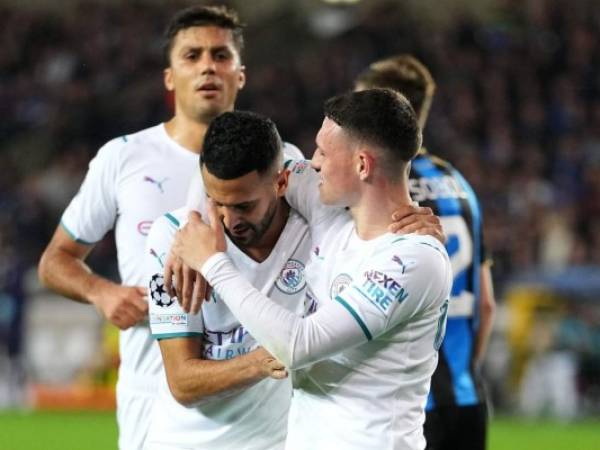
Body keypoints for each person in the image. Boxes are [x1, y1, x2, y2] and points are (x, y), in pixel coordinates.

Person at [173, 88, 453, 450]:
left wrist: (211, 261)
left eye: (323, 151)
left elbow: (298, 345)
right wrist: (192, 222)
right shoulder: (326, 207)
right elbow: (244, 161)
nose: (313, 162)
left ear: (362, 165)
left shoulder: (412, 259)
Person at [36, 5, 258, 449]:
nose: (208, 67)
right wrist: (103, 292)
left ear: (240, 74)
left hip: (252, 403)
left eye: (220, 55)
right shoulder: (124, 158)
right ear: (170, 78)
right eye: (192, 56)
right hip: (152, 394)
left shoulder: (280, 161)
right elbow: (54, 261)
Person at [144, 110, 311, 449]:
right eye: (216, 202)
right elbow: (183, 382)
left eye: (244, 207)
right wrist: (263, 360)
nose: (229, 220)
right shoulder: (174, 241)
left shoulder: (315, 229)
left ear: (280, 183)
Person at [354, 54, 496, 450]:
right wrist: (464, 372)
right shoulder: (459, 185)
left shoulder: (380, 186)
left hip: (409, 406)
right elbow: (486, 304)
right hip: (469, 399)